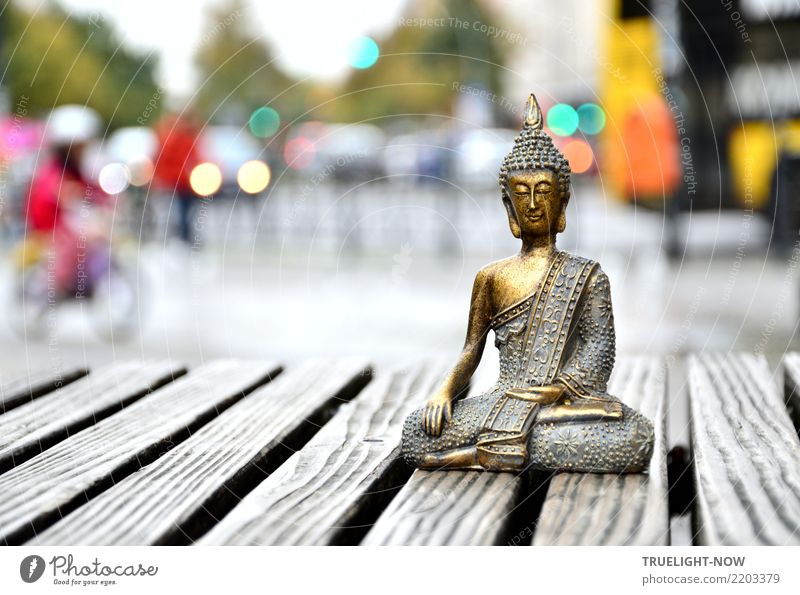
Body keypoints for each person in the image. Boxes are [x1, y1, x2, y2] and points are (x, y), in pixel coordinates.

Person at [401, 95, 655, 474]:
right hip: (504, 396)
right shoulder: (491, 278)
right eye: (522, 193)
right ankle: (507, 448)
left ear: (563, 203)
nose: (534, 203)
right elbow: (472, 350)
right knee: (415, 435)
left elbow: (600, 350)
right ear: (508, 207)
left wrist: (557, 389)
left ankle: (485, 453)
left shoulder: (589, 276)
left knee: (637, 438)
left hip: (562, 405)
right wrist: (444, 392)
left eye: (544, 191)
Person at [25, 104, 108, 296]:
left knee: (94, 235)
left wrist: (105, 198)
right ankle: (61, 280)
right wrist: (67, 194)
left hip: (65, 221)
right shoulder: (52, 170)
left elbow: (90, 188)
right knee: (80, 238)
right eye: (79, 146)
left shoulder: (75, 169)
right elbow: (52, 192)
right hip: (50, 225)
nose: (82, 151)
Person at [153, 112, 201, 244]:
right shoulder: (171, 139)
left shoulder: (187, 138)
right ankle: (180, 235)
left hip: (185, 182)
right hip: (175, 182)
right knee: (178, 210)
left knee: (184, 210)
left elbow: (195, 159)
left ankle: (183, 234)